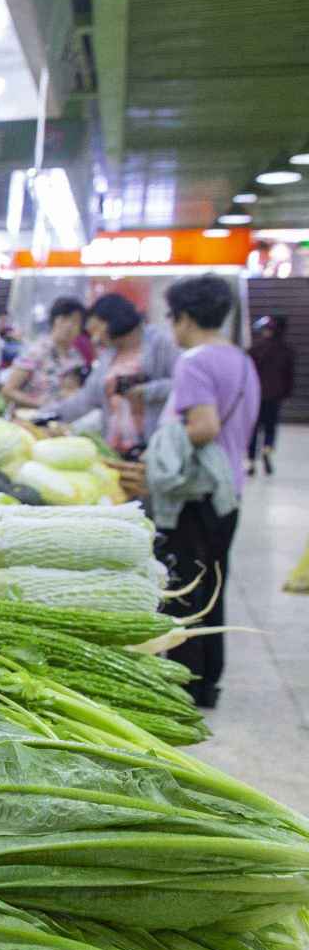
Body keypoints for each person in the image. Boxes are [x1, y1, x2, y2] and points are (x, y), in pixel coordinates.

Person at [157, 274, 260, 707]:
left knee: (184, 589)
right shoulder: (240, 360)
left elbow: (204, 427)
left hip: (195, 496)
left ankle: (184, 680)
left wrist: (167, 441)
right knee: (214, 586)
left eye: (172, 318)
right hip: (227, 494)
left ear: (185, 317)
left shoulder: (194, 361)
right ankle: (207, 681)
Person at [44, 294, 179, 455]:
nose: (95, 339)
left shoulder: (160, 343)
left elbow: (183, 386)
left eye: (97, 330)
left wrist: (147, 391)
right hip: (117, 447)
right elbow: (86, 398)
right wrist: (50, 415)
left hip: (154, 446)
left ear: (114, 320)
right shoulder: (108, 355)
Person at [1, 296, 87, 411]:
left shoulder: (77, 359)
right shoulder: (36, 351)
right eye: (64, 318)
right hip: (27, 420)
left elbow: (73, 393)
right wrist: (39, 403)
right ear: (54, 320)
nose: (69, 326)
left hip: (59, 424)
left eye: (75, 322)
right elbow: (8, 390)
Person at [248, 316, 294, 476]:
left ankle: (251, 462)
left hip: (256, 395)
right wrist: (286, 393)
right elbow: (289, 376)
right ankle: (267, 449)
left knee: (253, 428)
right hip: (275, 395)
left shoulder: (255, 349)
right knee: (270, 427)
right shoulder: (287, 351)